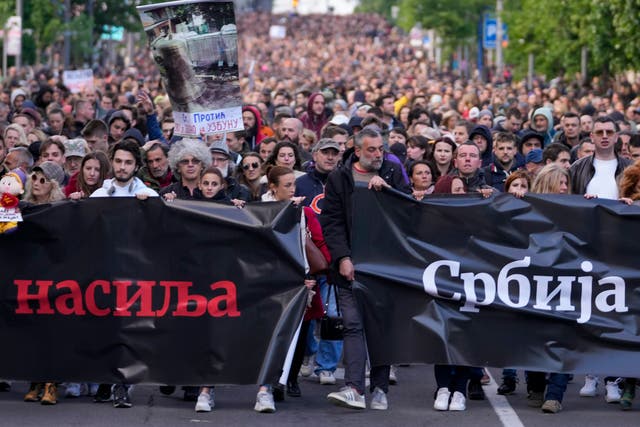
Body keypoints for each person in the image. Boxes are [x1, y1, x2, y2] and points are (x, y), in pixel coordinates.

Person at [321, 127, 410, 411]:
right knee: (352, 325)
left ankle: (380, 388)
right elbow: (331, 222)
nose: (377, 154)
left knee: (380, 329)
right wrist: (343, 257)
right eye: (371, 149)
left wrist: (389, 192)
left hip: (385, 267)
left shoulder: (393, 174)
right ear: (357, 150)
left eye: (381, 149)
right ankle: (355, 387)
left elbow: (409, 213)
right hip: (350, 267)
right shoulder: (339, 178)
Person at [89, 139, 158, 408]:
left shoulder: (149, 196)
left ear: (136, 166)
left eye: (128, 162)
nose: (122, 166)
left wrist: (148, 209)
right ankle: (105, 381)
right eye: (118, 161)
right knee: (105, 329)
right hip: (104, 273)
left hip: (135, 274)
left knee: (129, 333)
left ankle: (123, 386)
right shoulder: (98, 196)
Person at [570, 116, 632, 199]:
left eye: (609, 132)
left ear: (616, 137)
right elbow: (569, 199)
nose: (604, 136)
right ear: (592, 137)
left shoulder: (630, 167)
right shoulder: (577, 167)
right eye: (599, 132)